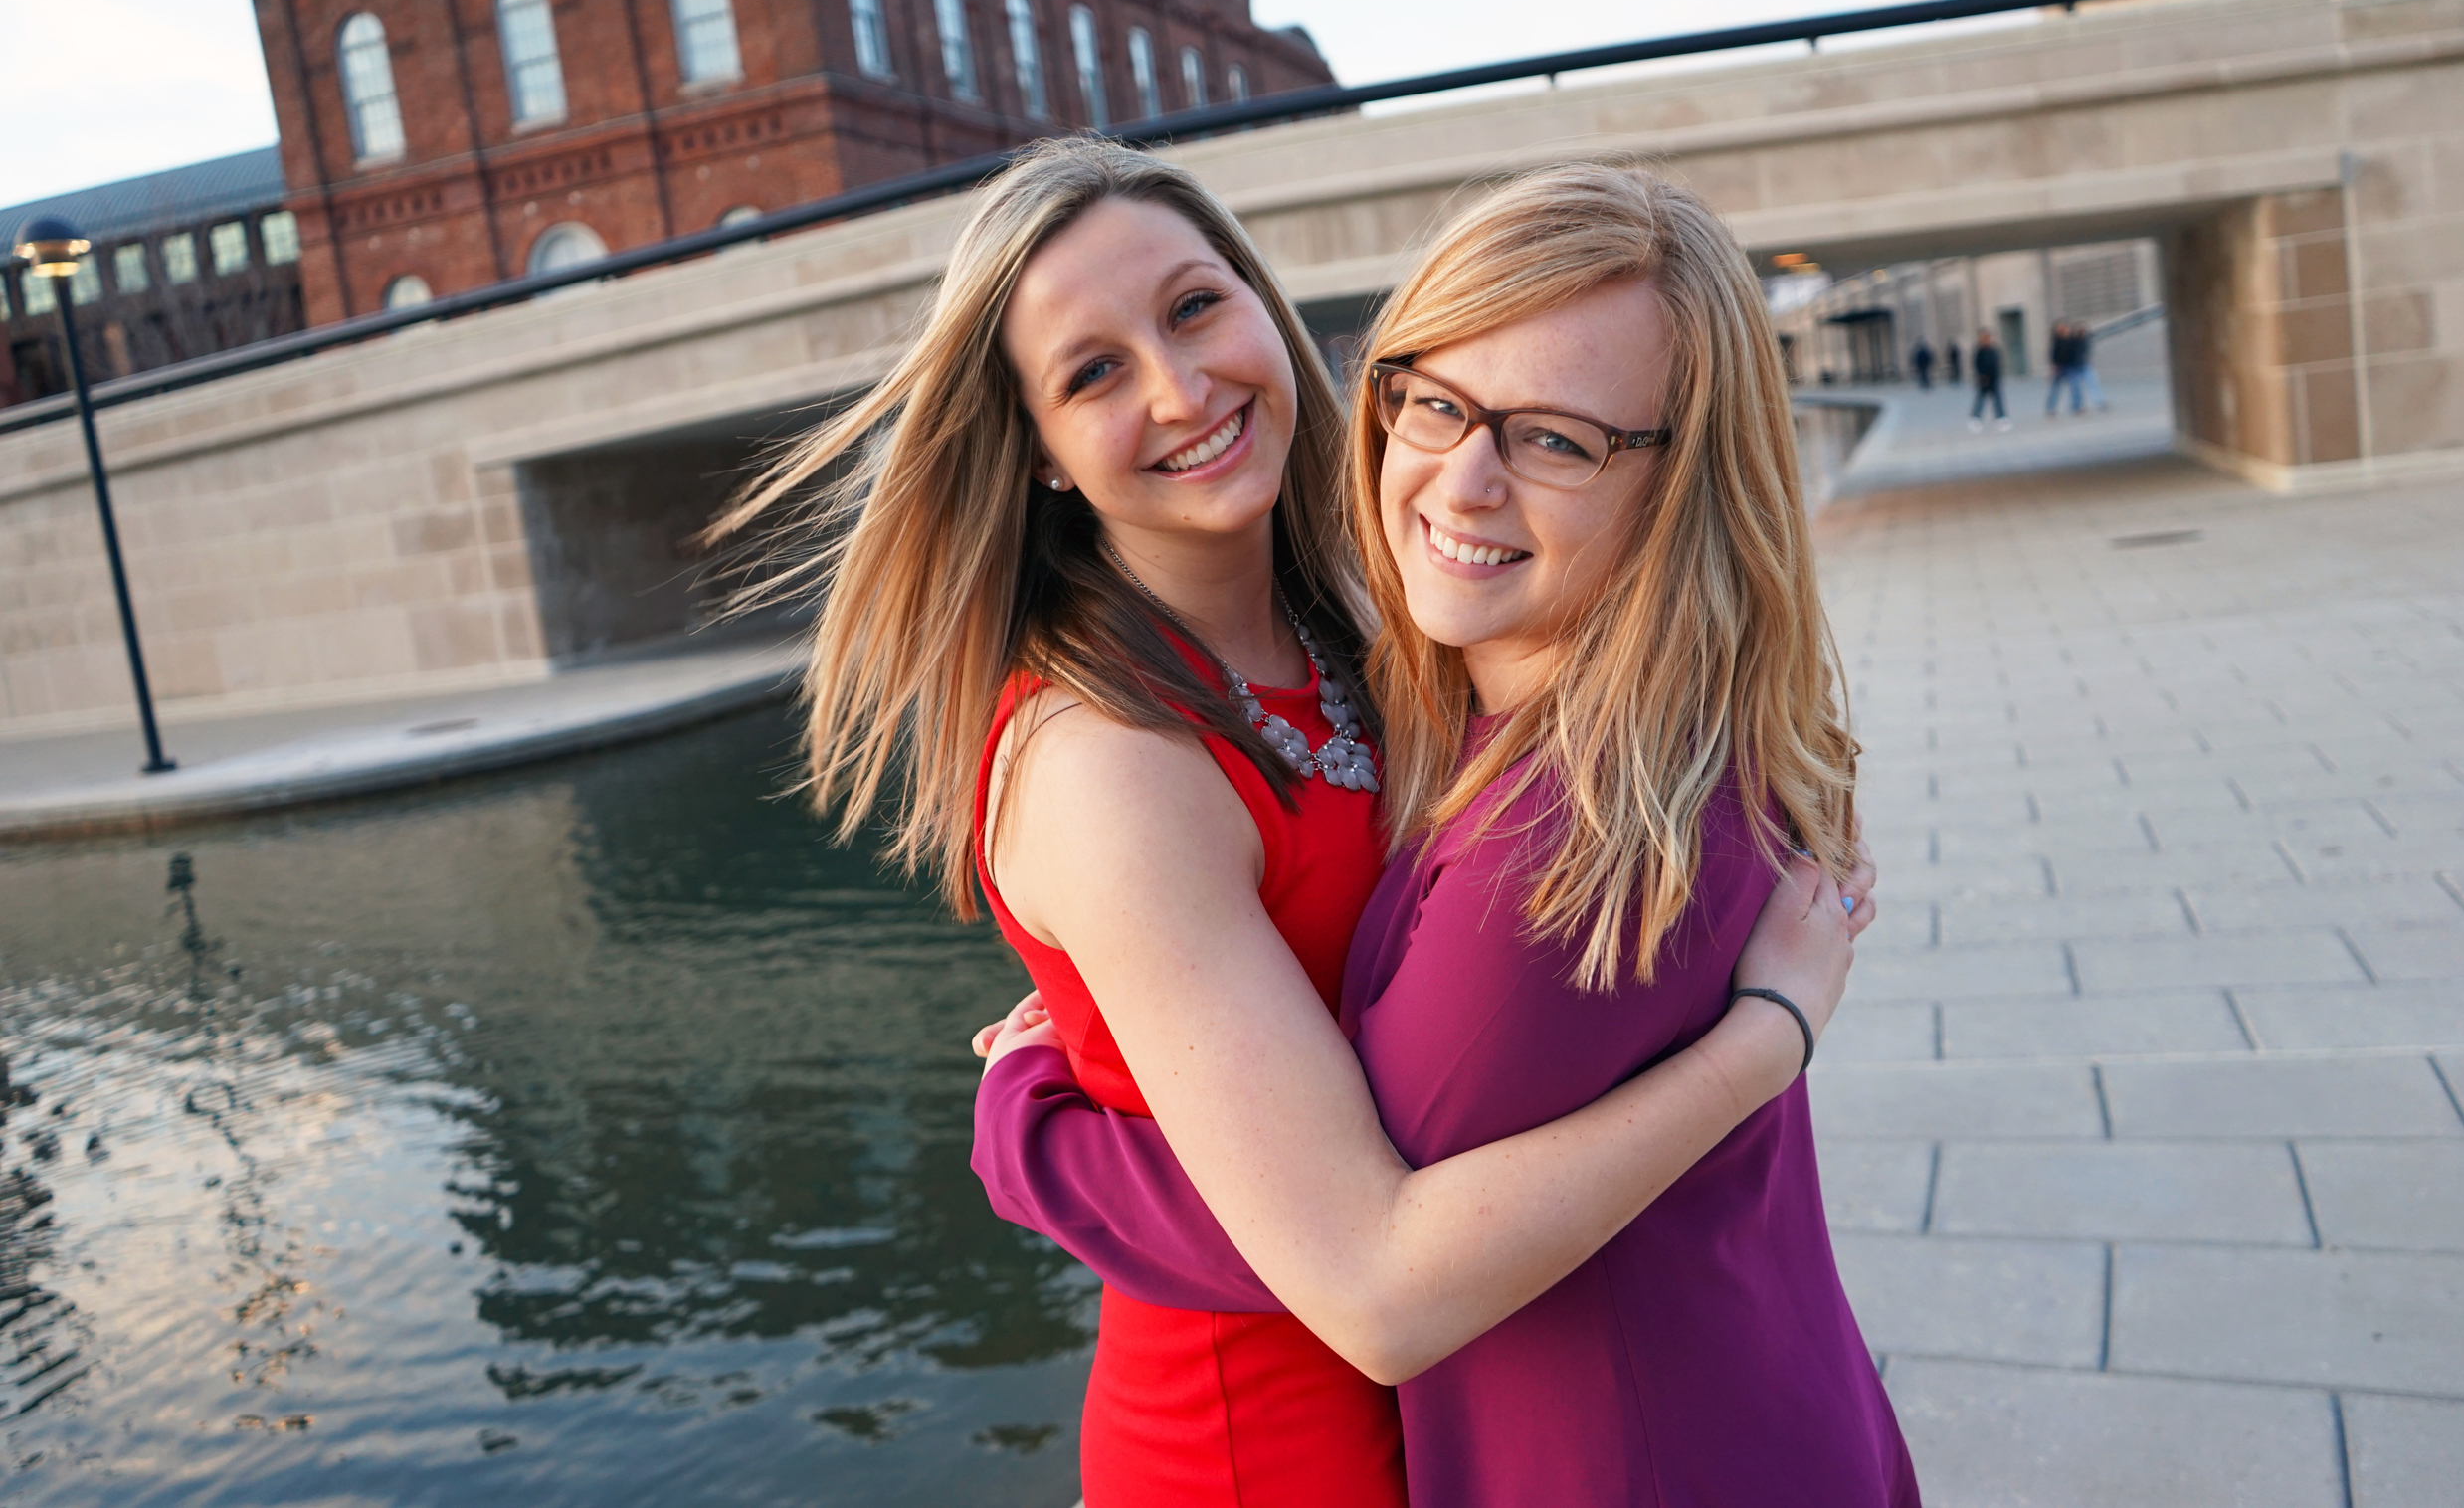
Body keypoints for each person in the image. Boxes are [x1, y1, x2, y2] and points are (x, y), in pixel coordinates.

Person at [717, 140, 1873, 1508]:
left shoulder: (1371, 622)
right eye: (1094, 371)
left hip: (1459, 1390)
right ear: (1035, 446)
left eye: (1196, 306)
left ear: (1266, 304)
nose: (1180, 385)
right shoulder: (1104, 760)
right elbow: (1360, 1258)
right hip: (1269, 1440)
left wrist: (1055, 1135)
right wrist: (1767, 1038)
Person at [1969, 327, 2008, 430]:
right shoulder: (1979, 352)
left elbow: (1997, 364)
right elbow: (1977, 365)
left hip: (1994, 379)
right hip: (1984, 380)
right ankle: (1975, 418)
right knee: (1980, 400)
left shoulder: (1993, 350)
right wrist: (1981, 376)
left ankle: (2001, 417)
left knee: (1998, 400)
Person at [2044, 319, 2074, 414]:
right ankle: (2051, 408)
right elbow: (2053, 355)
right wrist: (2053, 368)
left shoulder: (2071, 339)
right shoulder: (2057, 341)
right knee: (2056, 388)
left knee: (2075, 386)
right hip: (2060, 367)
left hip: (2070, 366)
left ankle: (2076, 406)